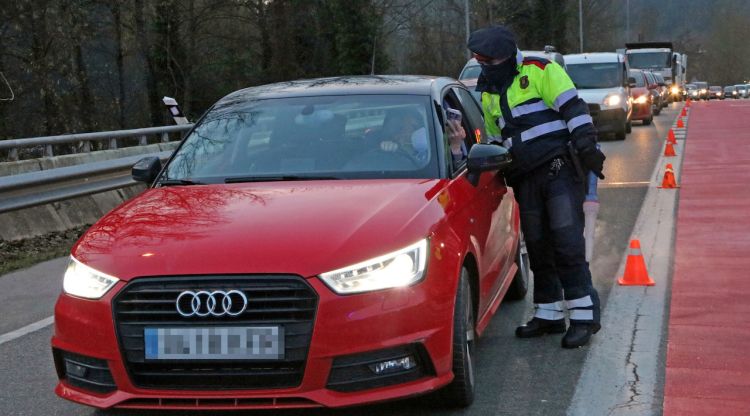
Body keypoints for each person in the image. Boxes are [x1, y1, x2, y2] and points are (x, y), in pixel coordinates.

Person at [467, 26, 606, 348]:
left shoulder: (541, 70)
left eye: (489, 59)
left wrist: (587, 147)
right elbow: (496, 137)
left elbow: (574, 109)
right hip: (524, 176)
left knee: (566, 242)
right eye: (480, 60)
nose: (485, 65)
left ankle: (584, 318)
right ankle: (549, 314)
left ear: (505, 55)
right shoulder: (489, 89)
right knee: (539, 247)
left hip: (558, 167)